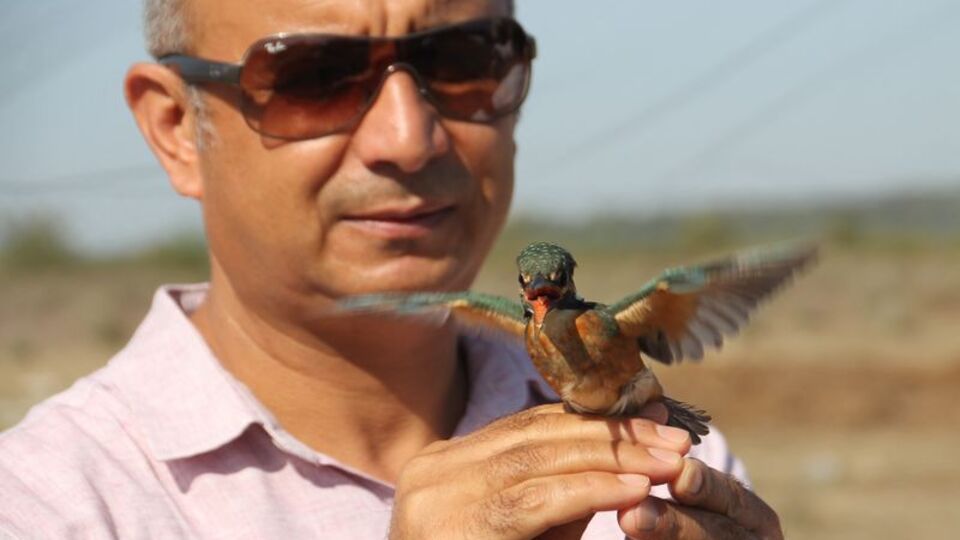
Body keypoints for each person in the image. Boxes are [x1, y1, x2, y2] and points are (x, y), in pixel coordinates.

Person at [0, 0, 783, 538]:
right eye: (314, 77)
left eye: (464, 59)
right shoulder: (46, 507)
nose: (408, 138)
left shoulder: (667, 454)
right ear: (176, 129)